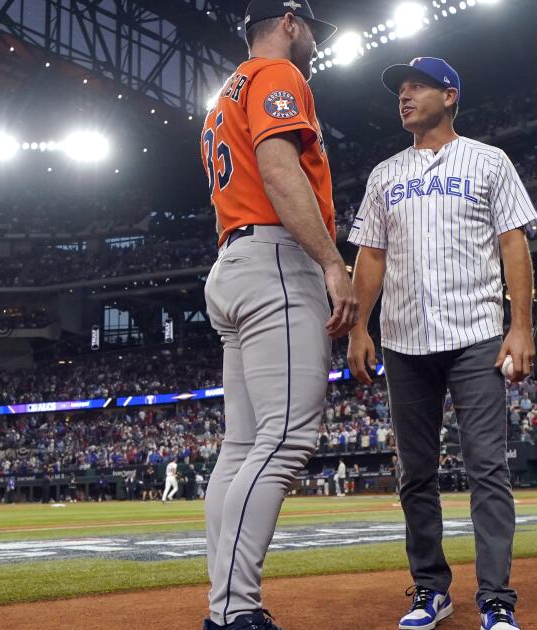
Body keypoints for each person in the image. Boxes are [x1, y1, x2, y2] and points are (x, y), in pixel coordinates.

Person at [347, 56, 535, 630]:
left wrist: (521, 324)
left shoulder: (488, 160)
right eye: (399, 91)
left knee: (486, 468)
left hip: (476, 333)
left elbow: (513, 244)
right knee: (415, 473)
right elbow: (371, 256)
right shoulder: (384, 174)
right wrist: (359, 326)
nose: (403, 97)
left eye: (417, 87)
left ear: (449, 95)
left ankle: (496, 597)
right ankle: (430, 589)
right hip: (403, 339)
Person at [200, 3, 352, 628]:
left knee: (241, 447)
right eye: (312, 27)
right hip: (276, 261)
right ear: (289, 20)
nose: (315, 40)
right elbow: (278, 166)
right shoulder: (279, 73)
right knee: (286, 439)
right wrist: (331, 262)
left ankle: (227, 605)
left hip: (234, 261)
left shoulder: (223, 96)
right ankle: (234, 612)